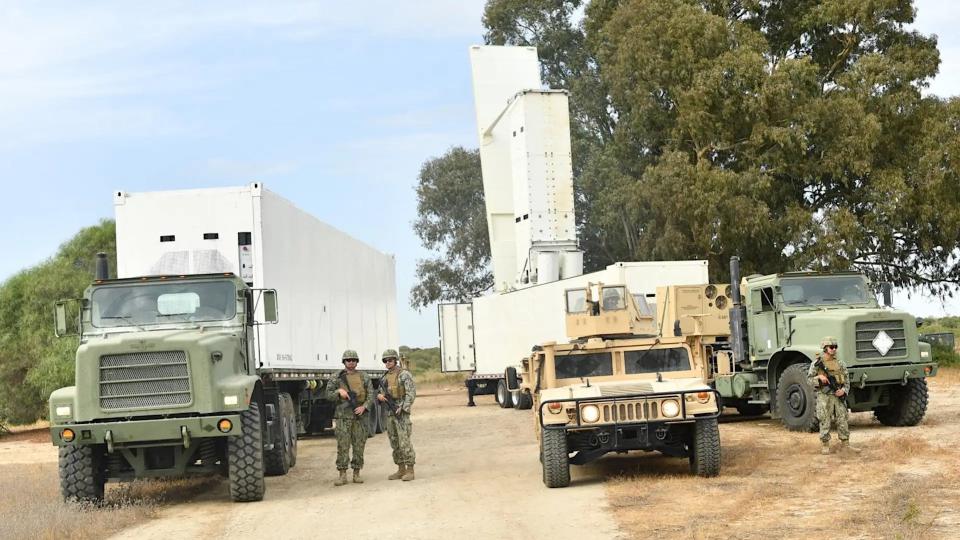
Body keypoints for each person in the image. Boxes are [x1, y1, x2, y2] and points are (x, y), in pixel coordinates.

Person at [326, 349, 374, 486]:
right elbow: (328, 395)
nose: (351, 362)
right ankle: (342, 474)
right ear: (344, 362)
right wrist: (338, 392)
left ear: (357, 362)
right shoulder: (336, 377)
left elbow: (371, 394)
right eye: (348, 360)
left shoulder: (364, 376)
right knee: (343, 446)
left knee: (359, 445)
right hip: (343, 417)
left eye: (353, 360)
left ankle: (356, 473)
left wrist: (364, 407)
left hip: (360, 416)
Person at [807, 337, 860, 455]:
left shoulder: (840, 363)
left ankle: (845, 444)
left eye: (835, 347)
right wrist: (818, 378)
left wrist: (844, 391)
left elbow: (846, 381)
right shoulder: (816, 364)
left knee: (843, 419)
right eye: (831, 347)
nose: (834, 349)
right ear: (825, 348)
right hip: (824, 396)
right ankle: (825, 445)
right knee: (824, 420)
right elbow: (809, 380)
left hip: (838, 396)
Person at [377, 349, 417, 481]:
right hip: (389, 413)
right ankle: (401, 469)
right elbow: (380, 393)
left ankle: (410, 469)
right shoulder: (384, 378)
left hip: (401, 413)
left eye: (390, 360)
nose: (387, 363)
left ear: (395, 360)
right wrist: (380, 397)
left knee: (404, 441)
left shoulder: (404, 375)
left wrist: (403, 407)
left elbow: (411, 393)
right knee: (394, 442)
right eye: (385, 361)